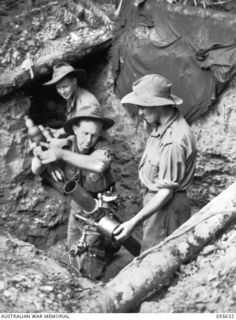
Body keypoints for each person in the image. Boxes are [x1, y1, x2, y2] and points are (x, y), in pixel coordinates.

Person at [31, 104, 118, 280]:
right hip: (78, 205)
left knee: (91, 252)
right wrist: (41, 155)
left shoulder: (103, 148)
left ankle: (92, 282)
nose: (89, 140)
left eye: (94, 135)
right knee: (73, 243)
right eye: (85, 133)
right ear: (76, 129)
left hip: (100, 208)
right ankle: (105, 249)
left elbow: (98, 165)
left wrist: (61, 155)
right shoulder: (65, 142)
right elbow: (35, 169)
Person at [113, 74, 197, 251]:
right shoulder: (160, 123)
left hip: (166, 210)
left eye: (144, 107)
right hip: (156, 206)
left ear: (159, 105)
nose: (141, 112)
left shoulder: (173, 141)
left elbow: (166, 192)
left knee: (156, 257)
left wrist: (133, 222)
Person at [43, 62, 101, 146]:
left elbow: (87, 140)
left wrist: (64, 142)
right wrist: (60, 131)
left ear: (74, 81)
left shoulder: (86, 104)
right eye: (59, 88)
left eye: (65, 86)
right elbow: (76, 125)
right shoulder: (71, 95)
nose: (62, 92)